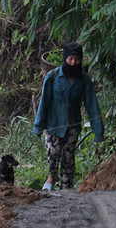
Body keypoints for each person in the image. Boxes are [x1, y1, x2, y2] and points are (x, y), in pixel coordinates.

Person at [32, 42, 105, 191]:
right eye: (70, 59)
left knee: (68, 157)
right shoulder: (53, 77)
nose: (73, 62)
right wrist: (38, 126)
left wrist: (99, 132)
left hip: (73, 126)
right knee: (53, 153)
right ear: (65, 58)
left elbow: (92, 106)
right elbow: (44, 102)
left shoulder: (84, 80)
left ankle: (67, 192)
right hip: (54, 124)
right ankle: (51, 179)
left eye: (76, 59)